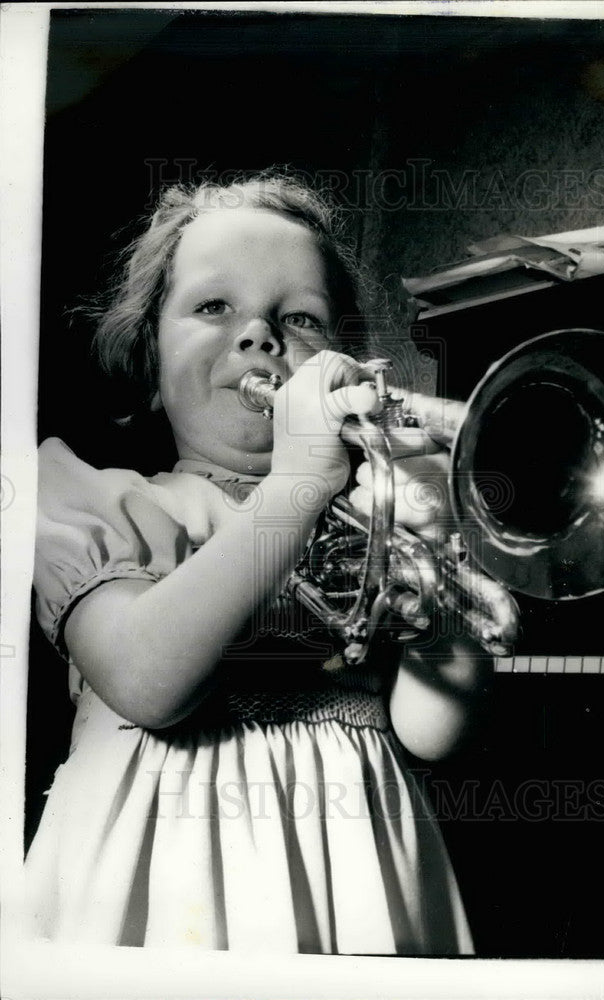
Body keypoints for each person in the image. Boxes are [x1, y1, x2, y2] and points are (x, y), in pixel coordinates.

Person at [27, 172, 488, 954]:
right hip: (163, 879)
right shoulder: (98, 498)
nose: (258, 336)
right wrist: (300, 481)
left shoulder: (371, 523)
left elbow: (434, 729)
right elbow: (147, 682)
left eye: (299, 317)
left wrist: (438, 538)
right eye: (213, 307)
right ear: (147, 353)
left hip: (358, 873)